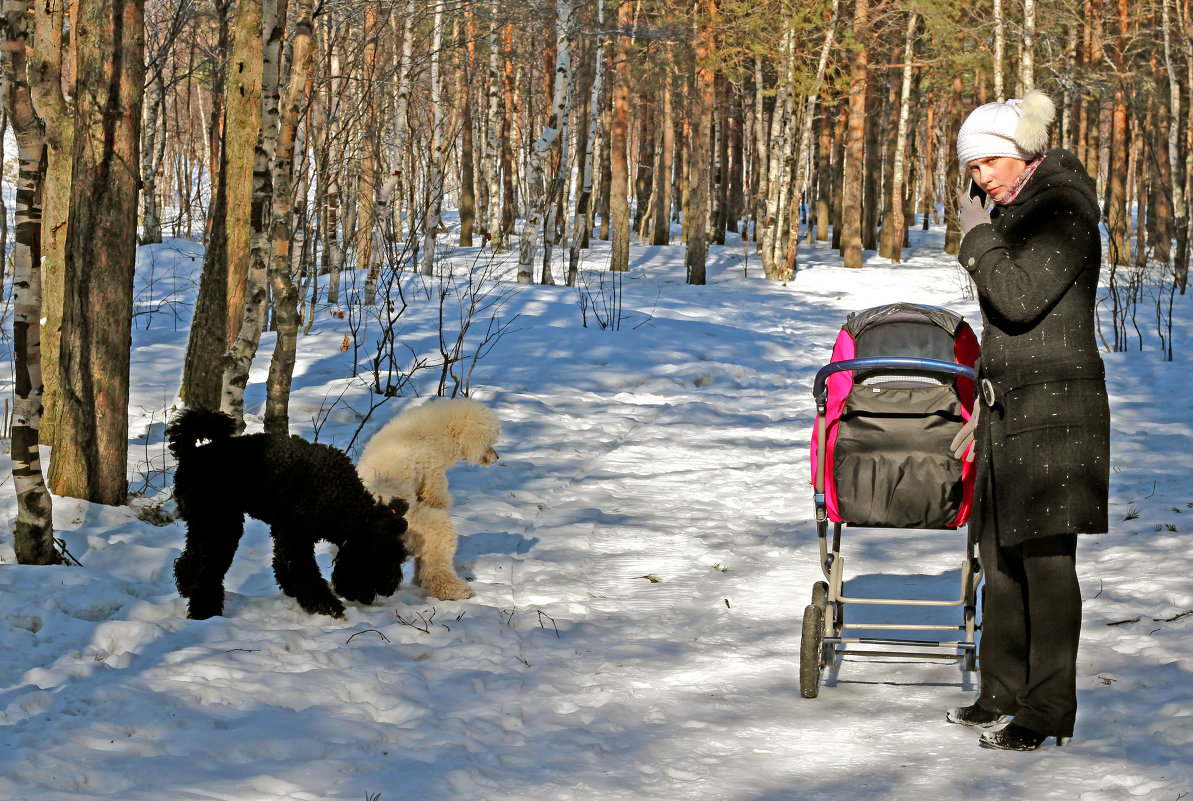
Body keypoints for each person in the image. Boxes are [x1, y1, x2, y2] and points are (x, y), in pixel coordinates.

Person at [945, 90, 1110, 751]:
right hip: (1005, 410)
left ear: (1019, 155)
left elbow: (1017, 299)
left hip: (1056, 414)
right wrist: (977, 404)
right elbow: (1008, 322)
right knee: (998, 555)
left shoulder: (1065, 212)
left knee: (1044, 561)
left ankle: (1046, 711)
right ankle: (1000, 694)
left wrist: (977, 237)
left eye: (985, 164)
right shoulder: (1017, 213)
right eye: (972, 169)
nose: (979, 180)